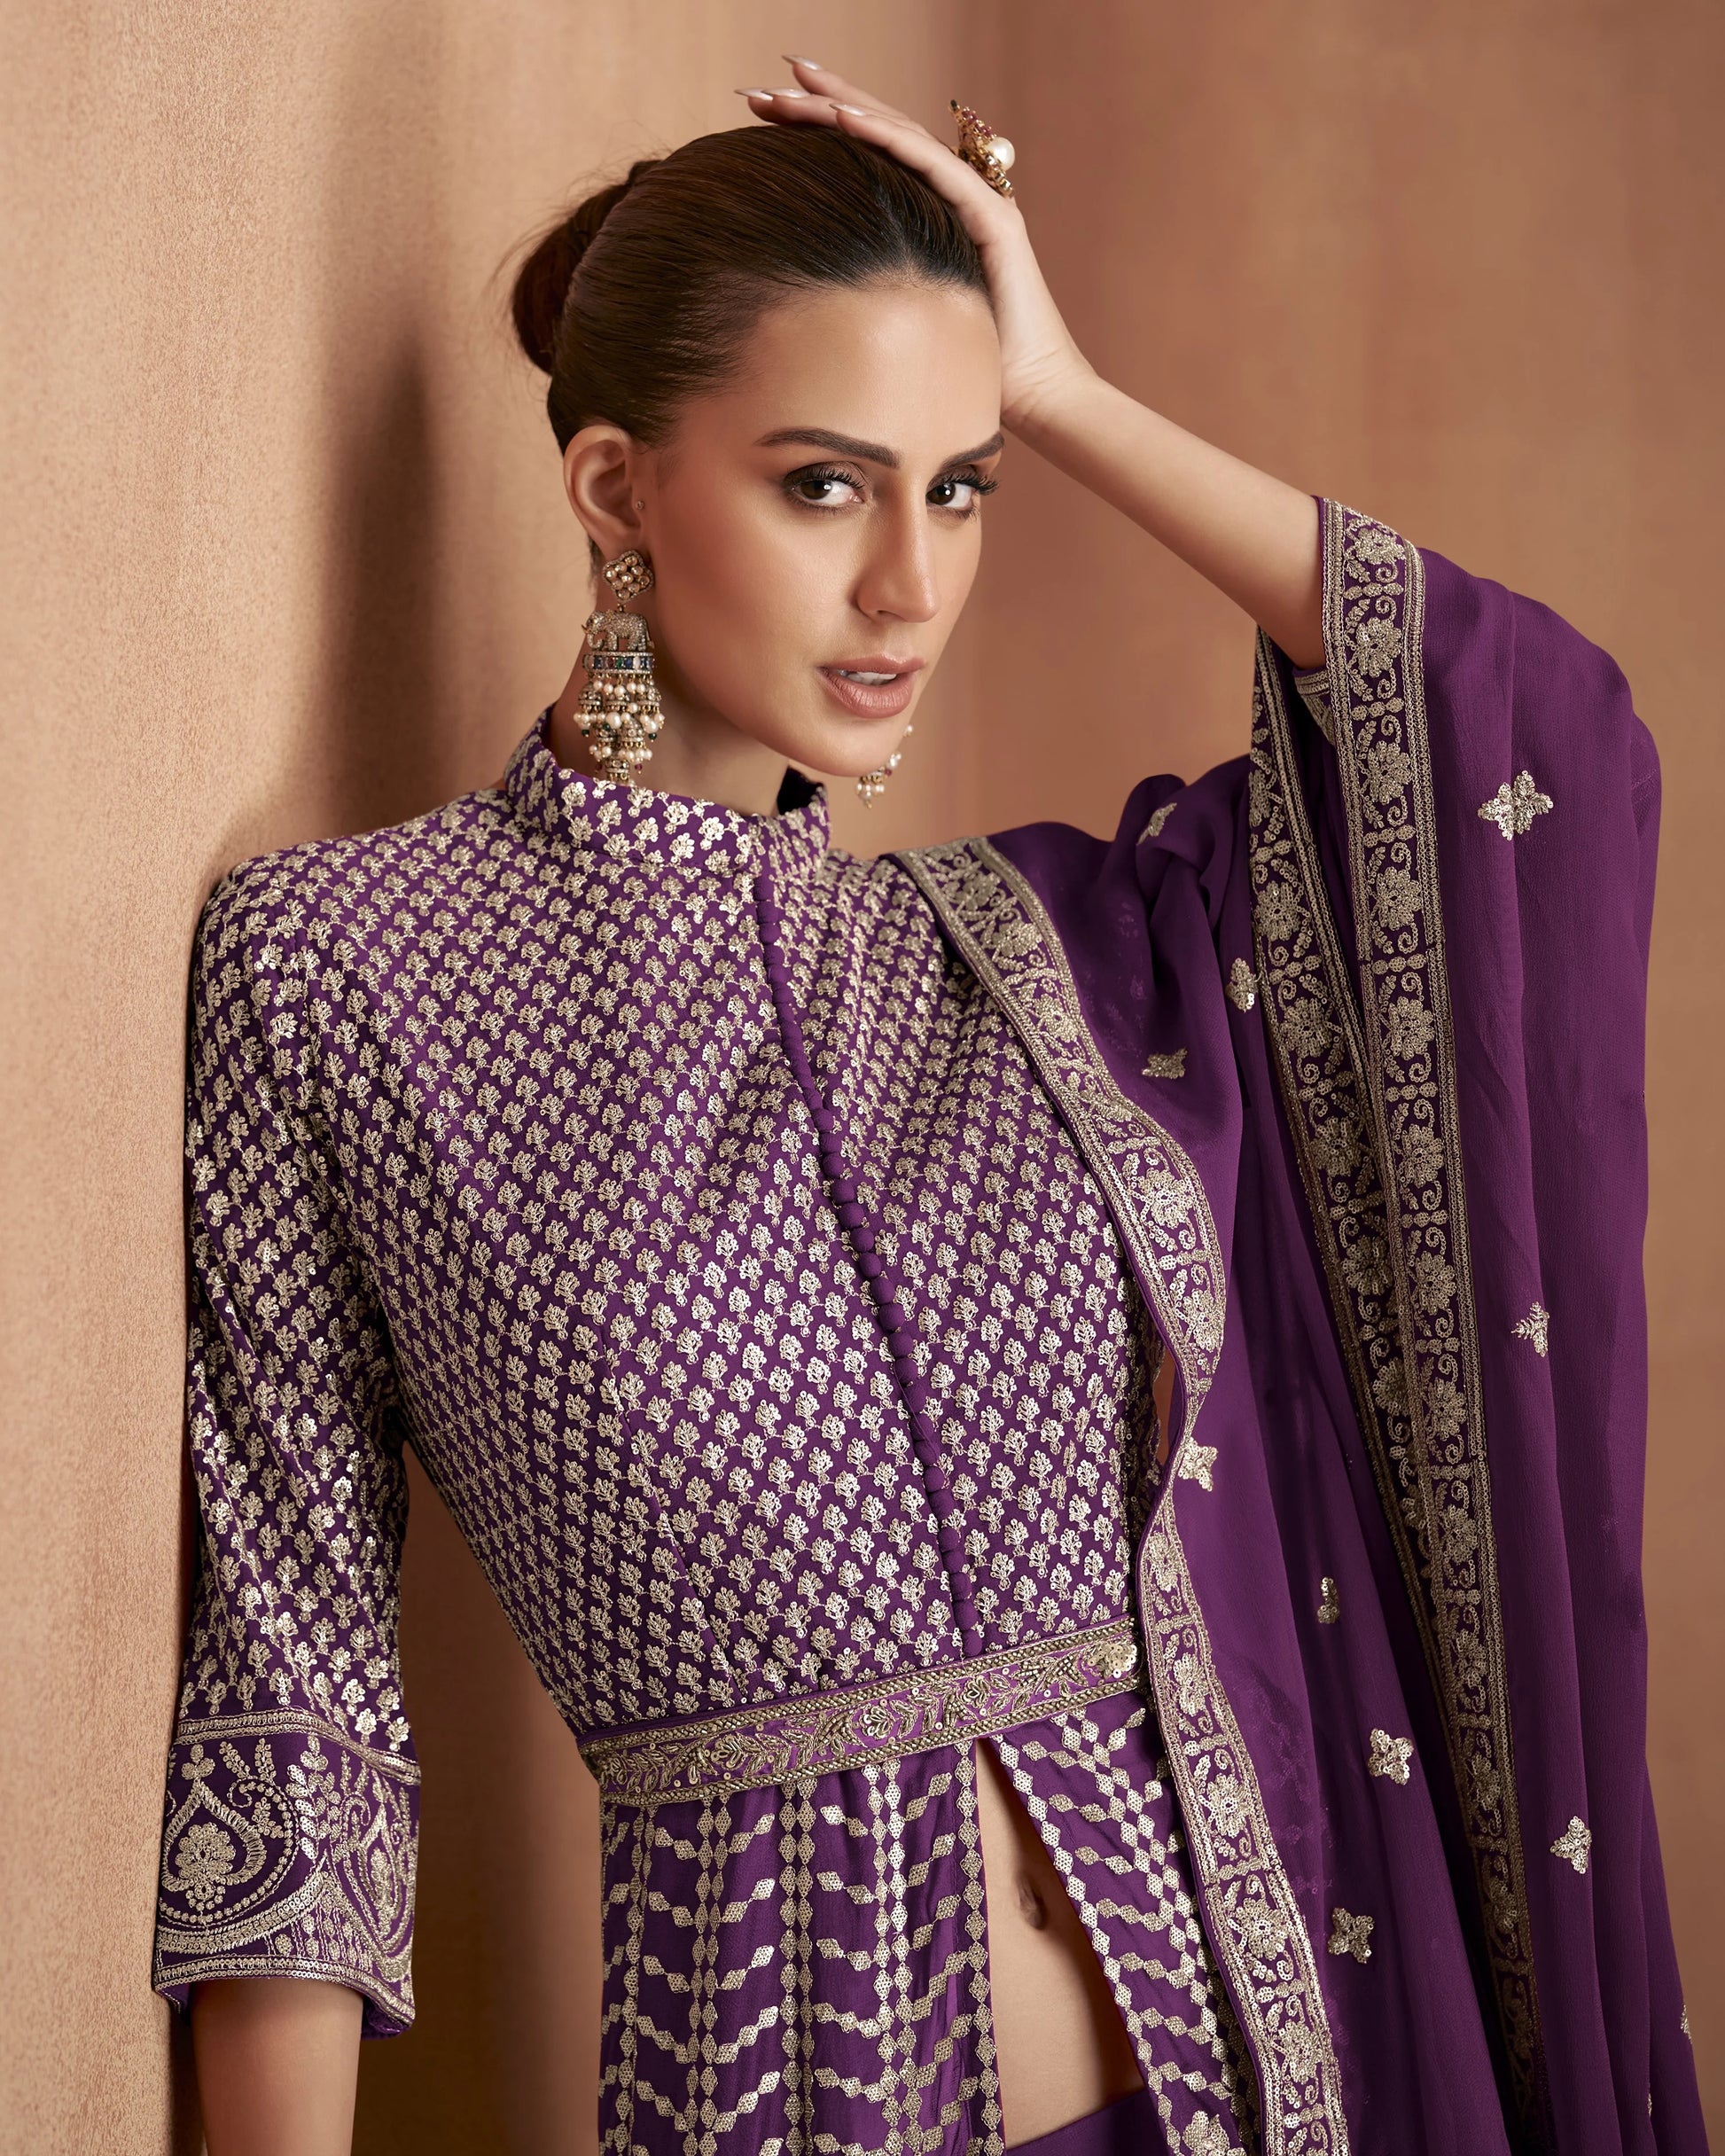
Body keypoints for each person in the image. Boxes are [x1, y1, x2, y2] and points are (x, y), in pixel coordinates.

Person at [152, 60, 1706, 2156]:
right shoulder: (340, 968)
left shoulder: (1050, 968)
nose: (910, 586)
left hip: (1263, 2083)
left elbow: (1520, 751)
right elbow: (297, 1682)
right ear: (614, 489)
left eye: (960, 485)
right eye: (822, 485)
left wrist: (1053, 383)